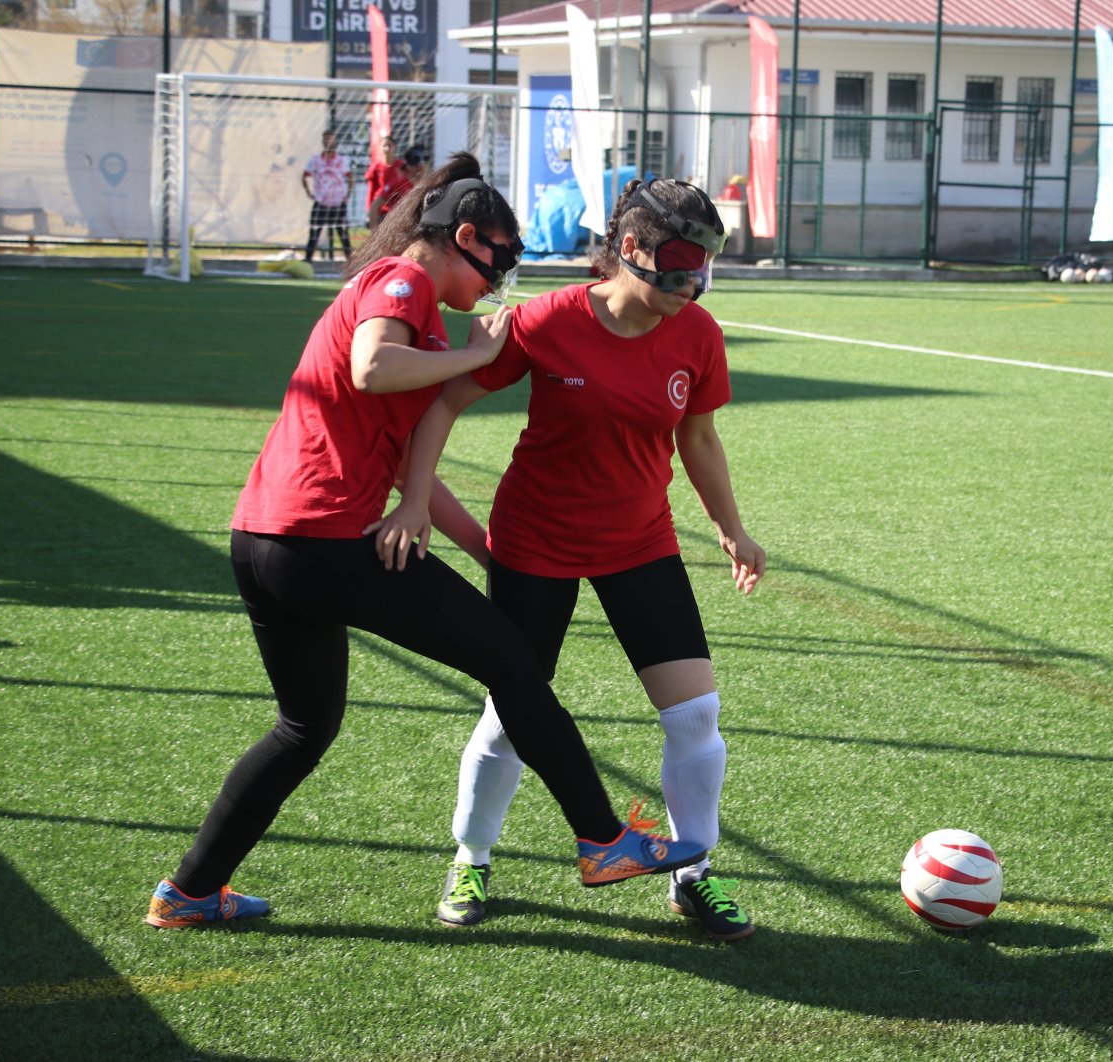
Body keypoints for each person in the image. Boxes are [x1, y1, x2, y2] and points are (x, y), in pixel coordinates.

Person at [144, 155, 706, 928]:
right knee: (513, 662)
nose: (499, 284)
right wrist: (476, 355)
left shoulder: (393, 300)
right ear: (464, 237)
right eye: (499, 261)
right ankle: (603, 839)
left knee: (304, 728)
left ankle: (189, 890)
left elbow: (404, 448)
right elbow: (371, 367)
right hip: (326, 541)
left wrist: (474, 542)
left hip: (263, 540)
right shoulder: (402, 283)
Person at [382, 177, 766, 941]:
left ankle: (693, 876)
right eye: (682, 264)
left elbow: (697, 437)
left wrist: (731, 527)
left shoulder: (697, 333)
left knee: (696, 716)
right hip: (535, 542)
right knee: (513, 711)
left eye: (705, 268)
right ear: (631, 249)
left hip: (639, 540)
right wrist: (416, 501)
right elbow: (445, 402)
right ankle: (472, 856)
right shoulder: (546, 319)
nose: (694, 283)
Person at [302, 130, 352, 263]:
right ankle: (307, 261)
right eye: (326, 139)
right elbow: (304, 176)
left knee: (343, 235)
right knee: (313, 234)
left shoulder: (342, 160)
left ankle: (352, 264)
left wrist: (347, 195)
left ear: (336, 141)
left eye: (331, 139)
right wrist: (309, 193)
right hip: (321, 203)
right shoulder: (315, 160)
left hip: (337, 204)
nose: (328, 142)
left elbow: (350, 177)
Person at [363, 134, 408, 230]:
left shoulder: (402, 166)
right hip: (381, 209)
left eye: (389, 145)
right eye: (384, 146)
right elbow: (371, 190)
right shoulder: (376, 167)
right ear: (380, 148)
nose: (387, 148)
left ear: (394, 147)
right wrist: (369, 209)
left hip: (399, 208)